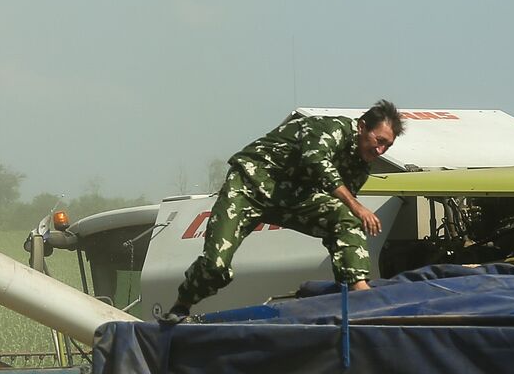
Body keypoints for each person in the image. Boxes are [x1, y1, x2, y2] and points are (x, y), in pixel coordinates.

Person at [168, 101, 404, 319]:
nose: (380, 150)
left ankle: (355, 290)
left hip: (292, 197)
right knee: (215, 267)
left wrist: (351, 212)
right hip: (249, 186)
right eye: (379, 140)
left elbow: (342, 209)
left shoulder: (362, 166)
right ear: (362, 127)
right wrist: (357, 206)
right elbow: (316, 161)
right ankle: (181, 305)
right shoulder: (332, 129)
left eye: (388, 146)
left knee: (345, 218)